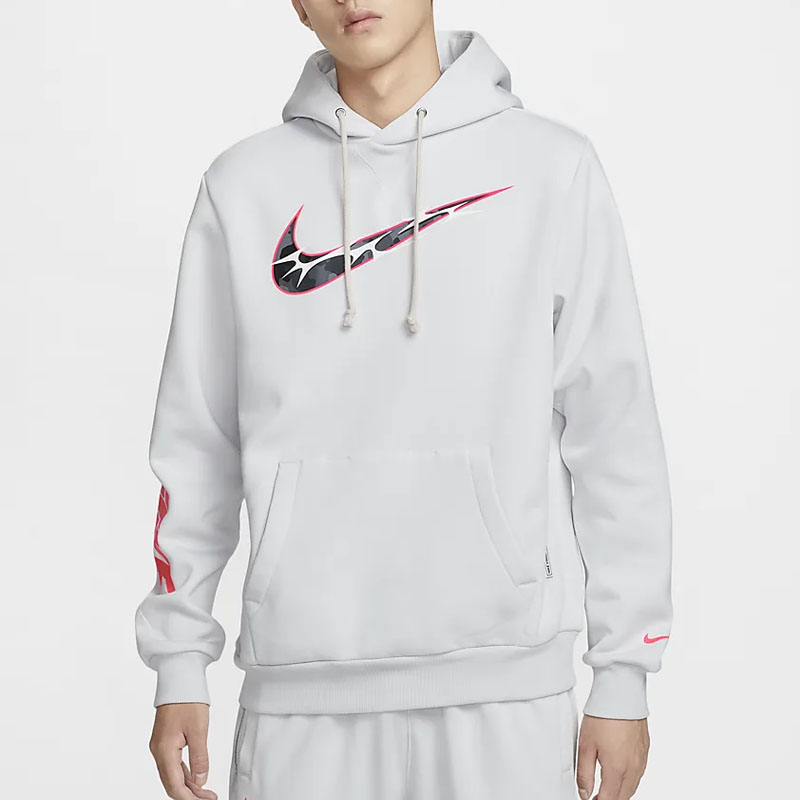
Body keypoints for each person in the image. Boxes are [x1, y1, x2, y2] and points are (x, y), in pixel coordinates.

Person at [136, 2, 673, 799]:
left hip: (509, 697)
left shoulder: (550, 169)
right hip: (300, 704)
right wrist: (180, 661)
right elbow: (197, 442)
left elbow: (614, 432)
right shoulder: (242, 189)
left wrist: (624, 668)